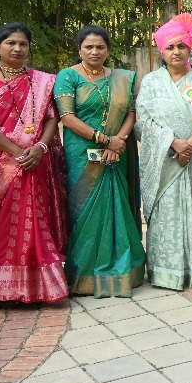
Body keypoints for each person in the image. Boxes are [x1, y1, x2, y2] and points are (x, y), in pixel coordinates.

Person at [0, 22, 69, 303]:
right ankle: (3, 290)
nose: (17, 48)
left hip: (36, 161)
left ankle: (40, 288)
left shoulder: (40, 81)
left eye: (23, 44)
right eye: (10, 43)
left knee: (36, 222)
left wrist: (40, 147)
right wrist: (19, 152)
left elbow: (51, 118)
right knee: (3, 226)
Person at [54, 26, 146, 296]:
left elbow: (131, 112)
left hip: (117, 150)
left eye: (100, 47)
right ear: (79, 49)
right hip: (81, 153)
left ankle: (124, 270)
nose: (94, 51)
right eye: (89, 47)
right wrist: (105, 140)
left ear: (108, 50)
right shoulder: (68, 76)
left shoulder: (121, 78)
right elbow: (67, 118)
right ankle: (84, 274)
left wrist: (119, 141)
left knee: (118, 206)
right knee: (85, 211)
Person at [137, 13, 192, 290]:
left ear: (189, 49)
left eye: (181, 46)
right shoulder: (151, 82)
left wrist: (190, 145)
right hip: (166, 159)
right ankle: (165, 270)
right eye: (170, 47)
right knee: (166, 211)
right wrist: (174, 143)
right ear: (161, 51)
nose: (176, 52)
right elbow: (143, 121)